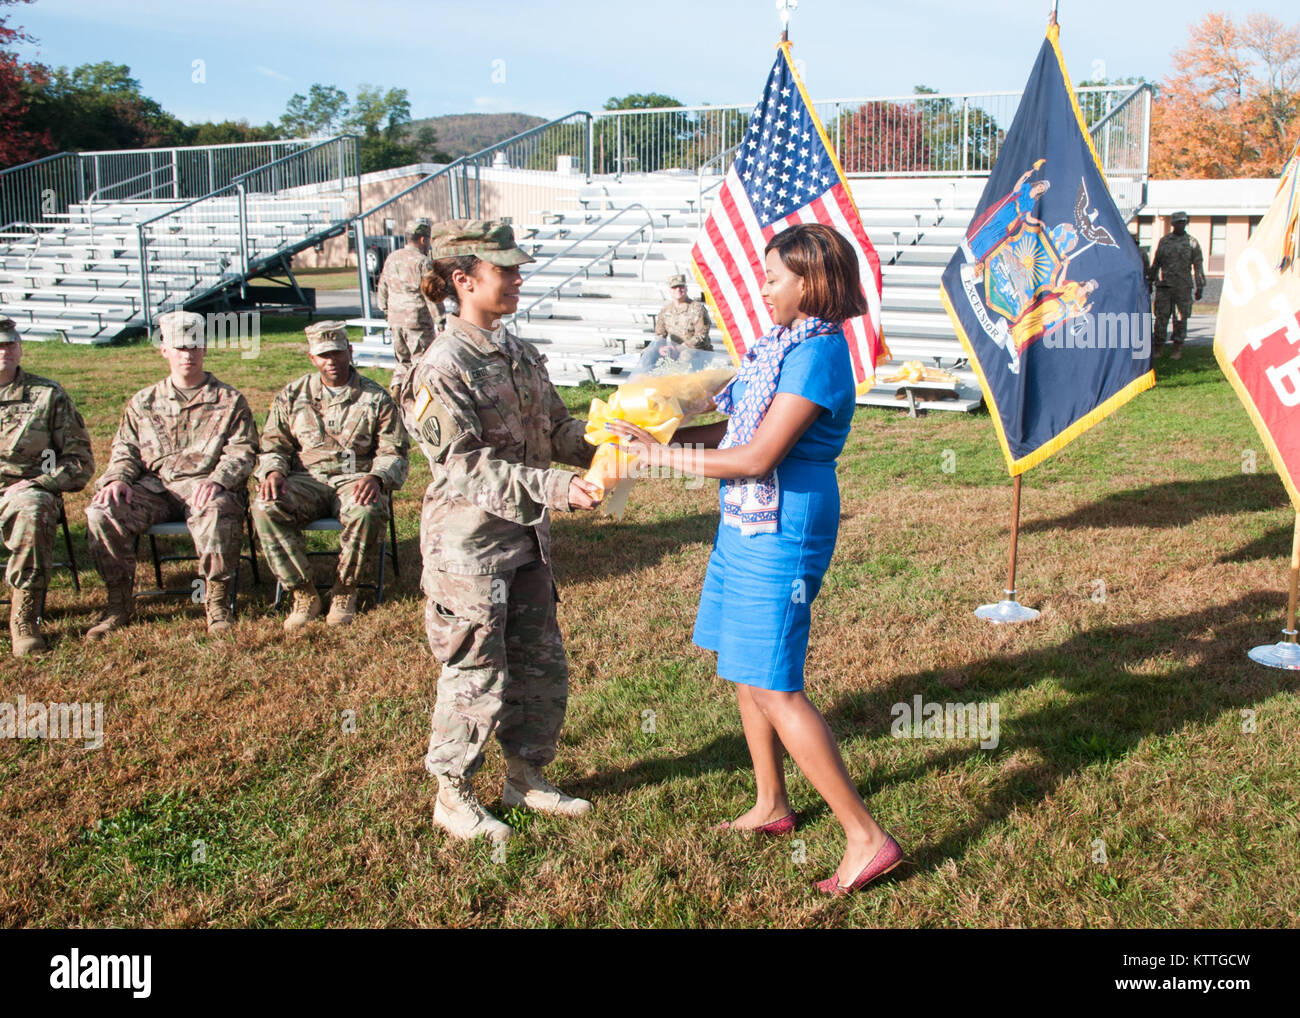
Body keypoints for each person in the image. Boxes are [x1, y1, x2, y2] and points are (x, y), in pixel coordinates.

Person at [608, 223, 902, 896]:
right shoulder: (778, 345)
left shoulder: (819, 354)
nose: (761, 287)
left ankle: (867, 837)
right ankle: (772, 803)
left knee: (775, 681)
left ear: (810, 283)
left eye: (772, 277)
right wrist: (658, 432)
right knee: (744, 665)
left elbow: (760, 456)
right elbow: (736, 430)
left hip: (784, 525)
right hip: (746, 520)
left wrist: (661, 459)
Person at [408, 219, 602, 843]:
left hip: (527, 542)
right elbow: (462, 465)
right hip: (470, 550)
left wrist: (611, 437)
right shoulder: (440, 366)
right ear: (463, 280)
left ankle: (526, 775)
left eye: (519, 267)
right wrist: (555, 489)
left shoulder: (516, 352)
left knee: (539, 663)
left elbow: (559, 428)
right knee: (476, 668)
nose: (519, 278)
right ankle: (452, 791)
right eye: (506, 269)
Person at [85, 310, 259, 638]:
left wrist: (219, 479)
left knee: (216, 508)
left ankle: (217, 602)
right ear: (164, 350)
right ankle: (119, 603)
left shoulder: (230, 401)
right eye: (179, 348)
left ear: (205, 349)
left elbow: (243, 452)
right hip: (154, 487)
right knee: (101, 511)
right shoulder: (144, 402)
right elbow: (125, 450)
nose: (187, 354)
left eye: (194, 347)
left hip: (205, 485)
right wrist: (118, 479)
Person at [252, 321, 410, 631]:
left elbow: (395, 453)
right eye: (324, 355)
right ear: (312, 358)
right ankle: (302, 591)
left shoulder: (375, 397)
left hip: (356, 479)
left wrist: (377, 477)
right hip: (305, 480)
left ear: (349, 352)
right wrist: (272, 471)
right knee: (264, 507)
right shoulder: (292, 395)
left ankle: (345, 590)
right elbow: (273, 445)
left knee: (367, 509)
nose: (332, 361)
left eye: (338, 353)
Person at [0, 318, 95, 656]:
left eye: (10, 343)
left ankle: (24, 617)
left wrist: (38, 482)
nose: (4, 350)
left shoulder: (46, 396)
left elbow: (79, 461)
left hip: (24, 491)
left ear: (20, 347)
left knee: (33, 507)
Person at [377, 218, 443, 406]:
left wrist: (385, 310)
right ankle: (421, 402)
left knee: (402, 360)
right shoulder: (423, 262)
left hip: (395, 318)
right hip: (417, 319)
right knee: (421, 362)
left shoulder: (392, 257)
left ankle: (397, 389)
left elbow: (382, 286)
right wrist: (440, 319)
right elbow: (430, 292)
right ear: (423, 240)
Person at [1148, 210, 1205, 360]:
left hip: (1183, 287)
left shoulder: (1192, 243)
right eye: (1178, 221)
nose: (1181, 224)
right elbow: (1156, 262)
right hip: (1165, 287)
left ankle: (1177, 349)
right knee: (1161, 318)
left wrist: (1200, 286)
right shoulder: (1164, 241)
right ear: (1172, 223)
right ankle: (1158, 348)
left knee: (1180, 319)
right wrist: (1149, 280)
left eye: (1183, 222)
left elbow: (1198, 266)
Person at [654, 273, 713, 351]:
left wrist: (681, 347)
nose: (678, 290)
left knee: (685, 356)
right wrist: (661, 348)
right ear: (670, 290)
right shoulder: (665, 311)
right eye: (674, 287)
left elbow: (701, 337)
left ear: (686, 288)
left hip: (697, 352)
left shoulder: (697, 309)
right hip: (675, 351)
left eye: (681, 287)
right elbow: (660, 335)